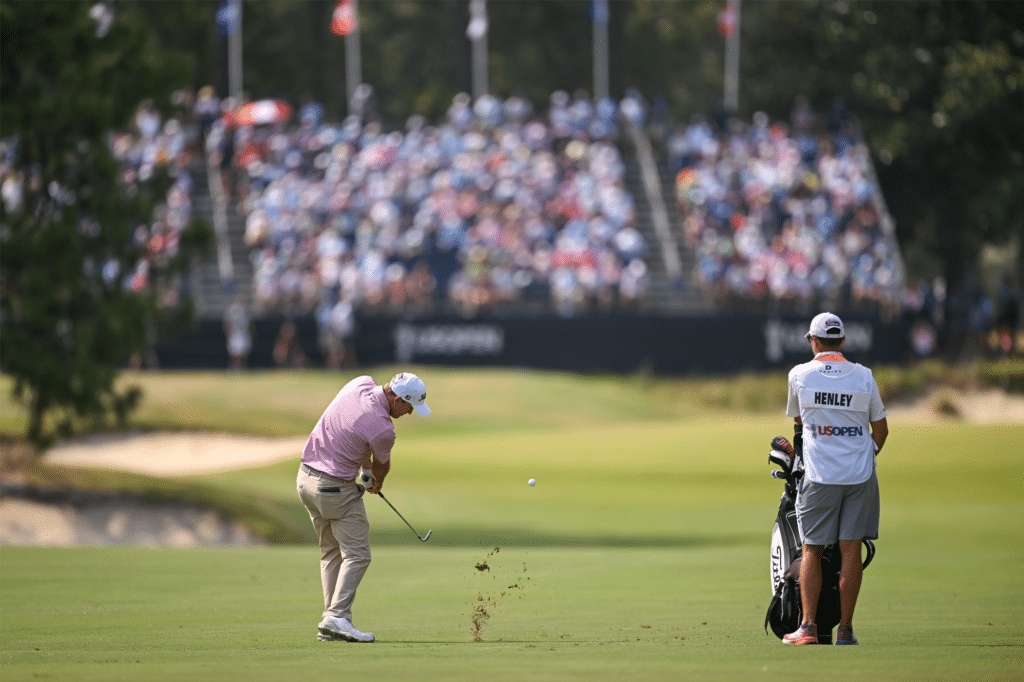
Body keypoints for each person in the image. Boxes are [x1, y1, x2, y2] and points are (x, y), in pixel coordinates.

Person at [296, 372, 432, 643]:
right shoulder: (384, 429)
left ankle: (330, 620)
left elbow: (353, 430)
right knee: (358, 554)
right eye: (409, 407)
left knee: (331, 551)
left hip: (305, 480)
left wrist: (365, 467)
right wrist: (375, 481)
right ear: (397, 398)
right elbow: (382, 465)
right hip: (334, 489)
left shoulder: (359, 383)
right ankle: (338, 616)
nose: (410, 413)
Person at [781, 312, 888, 646]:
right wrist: (859, 456)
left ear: (814, 341)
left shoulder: (799, 374)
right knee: (850, 550)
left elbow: (800, 420)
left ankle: (809, 628)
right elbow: (881, 431)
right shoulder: (865, 376)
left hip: (819, 474)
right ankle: (845, 630)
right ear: (842, 341)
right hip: (860, 475)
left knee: (811, 549)